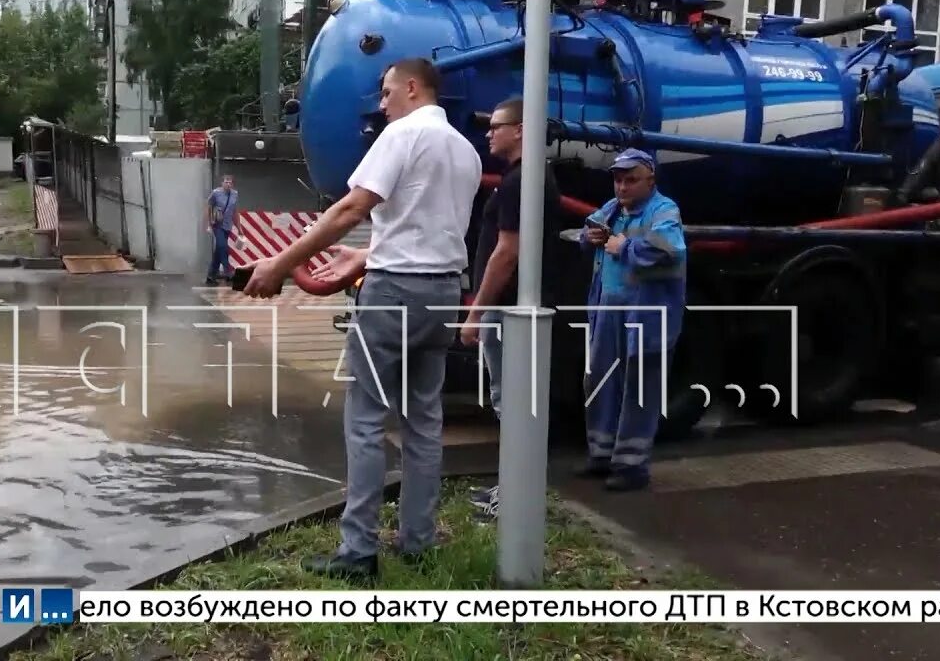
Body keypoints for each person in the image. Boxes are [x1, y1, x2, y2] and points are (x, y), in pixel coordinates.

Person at [242, 57, 482, 579]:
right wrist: (365, 256)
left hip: (395, 295)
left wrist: (278, 263)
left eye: (387, 91)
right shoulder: (465, 151)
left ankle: (357, 552)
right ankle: (417, 540)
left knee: (368, 419)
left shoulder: (401, 136)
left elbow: (351, 209)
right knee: (424, 420)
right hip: (444, 292)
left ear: (413, 88)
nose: (382, 103)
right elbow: (425, 228)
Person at [459, 97, 568, 519]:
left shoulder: (523, 181)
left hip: (509, 311)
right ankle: (512, 487)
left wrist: (475, 313)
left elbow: (506, 252)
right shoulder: (526, 177)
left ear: (521, 129)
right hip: (512, 309)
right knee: (515, 401)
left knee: (515, 402)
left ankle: (518, 497)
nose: (489, 133)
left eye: (496, 125)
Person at [578, 148, 687, 492]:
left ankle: (631, 466)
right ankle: (602, 453)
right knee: (600, 378)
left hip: (646, 315)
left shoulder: (664, 210)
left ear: (650, 180)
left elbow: (671, 249)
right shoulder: (613, 209)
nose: (622, 187)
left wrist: (624, 247)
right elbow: (589, 228)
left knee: (640, 387)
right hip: (609, 309)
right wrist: (590, 237)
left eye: (631, 180)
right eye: (618, 179)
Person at [205, 176, 238, 285]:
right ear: (222, 183)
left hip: (228, 226)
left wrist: (239, 228)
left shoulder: (234, 194)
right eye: (226, 182)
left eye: (230, 182)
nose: (228, 184)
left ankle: (210, 276)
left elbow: (235, 211)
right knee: (223, 247)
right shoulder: (216, 193)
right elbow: (209, 207)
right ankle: (228, 271)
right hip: (218, 225)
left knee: (218, 251)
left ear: (232, 184)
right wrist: (209, 224)